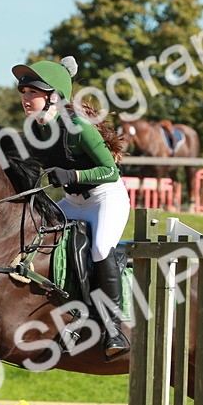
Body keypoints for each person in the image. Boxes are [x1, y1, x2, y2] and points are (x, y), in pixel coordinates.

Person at [11, 57, 130, 362]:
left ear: (52, 96)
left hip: (105, 198)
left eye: (31, 92)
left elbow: (110, 171)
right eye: (23, 92)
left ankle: (113, 328)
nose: (25, 98)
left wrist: (72, 175)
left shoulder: (78, 127)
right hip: (73, 203)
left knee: (101, 249)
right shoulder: (36, 131)